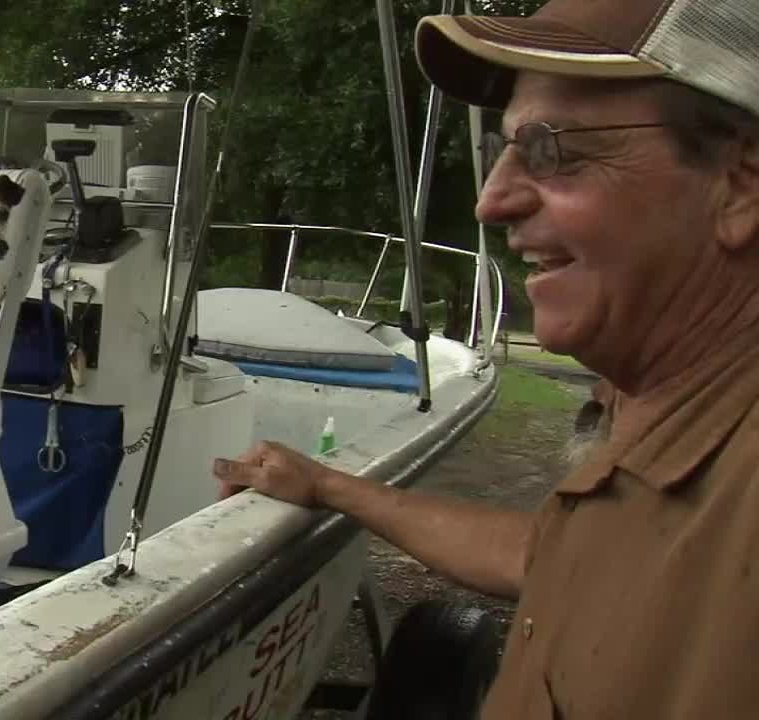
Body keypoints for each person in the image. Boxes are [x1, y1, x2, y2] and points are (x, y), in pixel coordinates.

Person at [213, 0, 759, 716]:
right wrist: (331, 486)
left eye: (549, 149)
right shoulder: (669, 413)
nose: (491, 201)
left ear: (742, 182)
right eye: (505, 148)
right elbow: (557, 556)